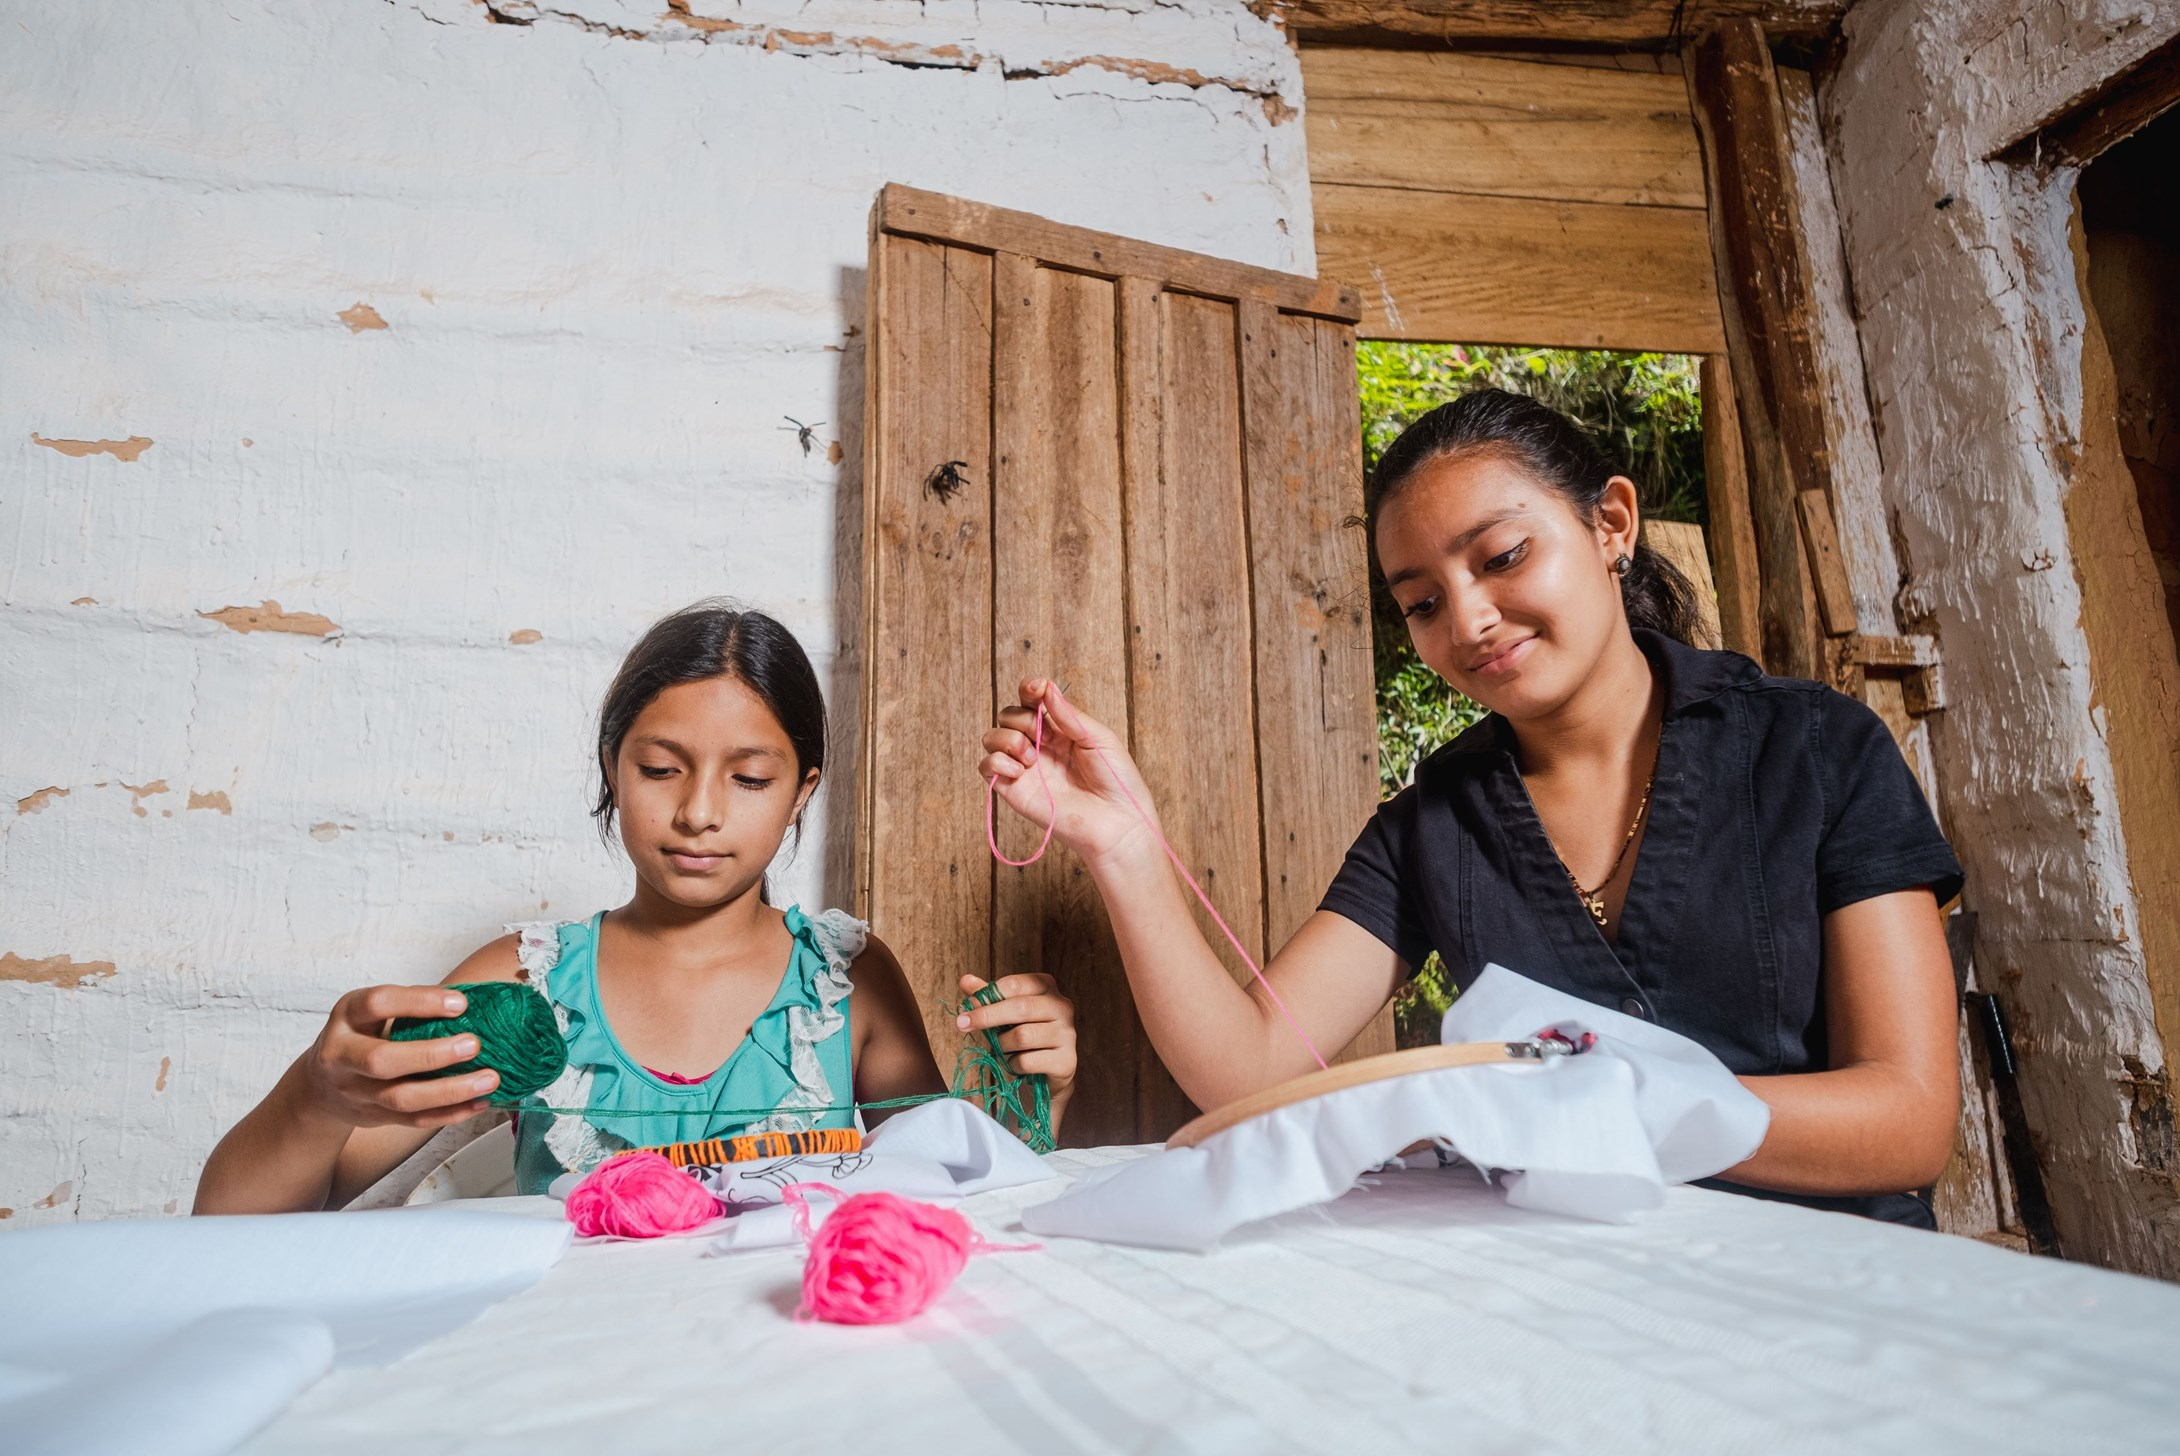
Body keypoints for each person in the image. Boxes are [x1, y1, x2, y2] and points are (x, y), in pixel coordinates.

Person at [977, 389, 1961, 1226]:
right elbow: (1252, 1077)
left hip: (1841, 1287)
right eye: (1420, 601)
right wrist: (1124, 846)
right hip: (1577, 1309)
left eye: (1499, 557)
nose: (1469, 619)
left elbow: (1906, 1121)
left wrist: (1566, 1104)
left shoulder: (1814, 750)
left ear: (1610, 524)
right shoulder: (1430, 827)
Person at [198, 602, 1077, 1213]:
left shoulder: (843, 984)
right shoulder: (526, 980)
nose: (698, 811)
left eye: (751, 777)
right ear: (613, 769)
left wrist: (1044, 1091)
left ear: (802, 791)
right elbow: (239, 1225)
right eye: (660, 769)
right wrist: (315, 1097)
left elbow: (957, 1199)